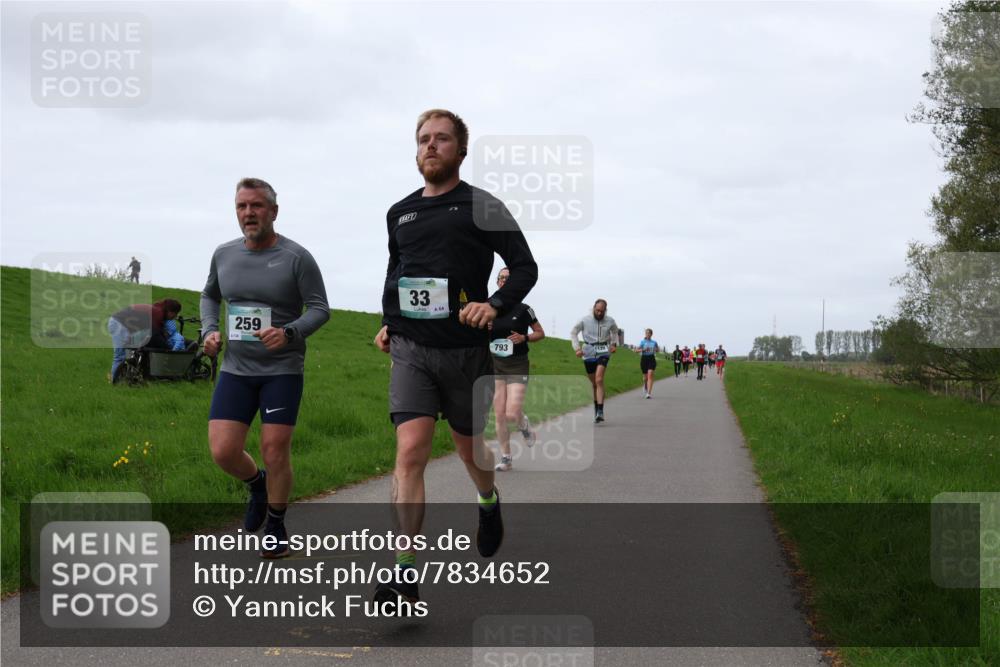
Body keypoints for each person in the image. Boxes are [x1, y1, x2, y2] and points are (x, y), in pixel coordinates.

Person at [372, 109, 538, 606]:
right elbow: (397, 271)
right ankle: (403, 573)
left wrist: (496, 305)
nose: (431, 146)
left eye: (442, 139)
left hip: (465, 353)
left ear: (460, 151)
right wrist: (389, 320)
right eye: (423, 139)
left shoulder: (482, 206)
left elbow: (525, 267)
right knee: (409, 453)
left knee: (471, 452)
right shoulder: (399, 212)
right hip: (411, 351)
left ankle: (487, 500)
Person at [200, 177, 330, 559]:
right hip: (236, 369)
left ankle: (276, 523)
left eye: (256, 206)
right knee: (223, 451)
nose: (248, 213)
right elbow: (210, 294)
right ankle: (256, 484)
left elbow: (320, 309)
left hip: (282, 369)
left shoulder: (296, 257)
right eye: (241, 206)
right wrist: (209, 330)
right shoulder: (224, 254)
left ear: (273, 211)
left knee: (275, 450)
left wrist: (289, 333)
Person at [490, 267, 545, 472]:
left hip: (517, 364)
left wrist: (525, 337)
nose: (503, 281)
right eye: (501, 278)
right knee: (499, 414)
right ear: (497, 282)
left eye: (508, 278)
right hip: (495, 364)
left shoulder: (524, 309)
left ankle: (524, 425)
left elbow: (540, 333)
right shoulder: (488, 306)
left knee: (512, 412)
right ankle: (506, 458)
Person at [108, 299, 181, 382]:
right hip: (119, 324)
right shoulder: (158, 313)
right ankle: (114, 382)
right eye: (175, 314)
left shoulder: (157, 310)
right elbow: (155, 334)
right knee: (120, 356)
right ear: (171, 312)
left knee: (131, 353)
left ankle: (125, 378)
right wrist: (168, 348)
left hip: (124, 325)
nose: (174, 317)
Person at [570, 299, 619, 423]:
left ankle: (601, 411)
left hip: (604, 351)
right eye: (597, 310)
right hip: (589, 351)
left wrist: (613, 344)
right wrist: (577, 348)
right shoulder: (585, 320)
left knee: (599, 379)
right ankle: (597, 408)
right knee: (593, 384)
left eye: (602, 311)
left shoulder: (610, 321)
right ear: (593, 308)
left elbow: (615, 331)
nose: (599, 313)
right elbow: (574, 332)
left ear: (605, 311)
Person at [637, 329, 659, 398]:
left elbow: (657, 350)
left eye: (649, 333)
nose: (647, 334)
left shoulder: (654, 342)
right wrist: (643, 350)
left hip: (651, 359)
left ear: (651, 334)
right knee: (645, 378)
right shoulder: (642, 342)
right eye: (646, 333)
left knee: (650, 375)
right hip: (644, 359)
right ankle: (645, 385)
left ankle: (648, 393)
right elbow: (636, 350)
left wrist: (656, 349)